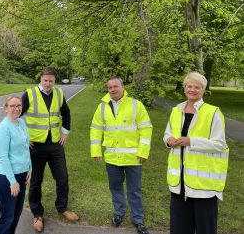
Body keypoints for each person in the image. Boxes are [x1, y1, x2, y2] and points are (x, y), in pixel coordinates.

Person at [164, 72, 229, 234]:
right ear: (184, 88)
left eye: (197, 87)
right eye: (189, 86)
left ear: (203, 90)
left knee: (205, 229)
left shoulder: (213, 112)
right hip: (179, 183)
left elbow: (220, 144)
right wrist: (169, 140)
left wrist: (191, 141)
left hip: (203, 186)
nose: (192, 90)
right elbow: (167, 133)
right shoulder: (176, 110)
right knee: (179, 228)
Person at [90, 76, 152, 234]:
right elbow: (96, 129)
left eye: (115, 86)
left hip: (133, 157)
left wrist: (143, 151)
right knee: (115, 187)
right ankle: (119, 212)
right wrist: (96, 151)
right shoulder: (102, 107)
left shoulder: (135, 105)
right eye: (110, 87)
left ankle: (137, 218)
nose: (113, 90)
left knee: (135, 190)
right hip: (112, 157)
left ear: (123, 87)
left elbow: (146, 128)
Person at [21, 66, 79, 232]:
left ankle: (62, 208)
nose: (47, 84)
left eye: (51, 81)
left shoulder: (59, 94)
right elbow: (16, 116)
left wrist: (65, 133)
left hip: (55, 144)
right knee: (35, 181)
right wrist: (24, 139)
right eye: (45, 80)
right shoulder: (29, 94)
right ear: (41, 79)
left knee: (62, 178)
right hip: (35, 146)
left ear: (55, 81)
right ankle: (37, 214)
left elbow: (66, 114)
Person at [0, 95, 32, 234]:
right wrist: (13, 182)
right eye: (12, 106)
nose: (16, 108)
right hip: (6, 178)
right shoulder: (3, 128)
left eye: (19, 105)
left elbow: (26, 147)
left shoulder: (21, 122)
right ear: (5, 108)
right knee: (7, 217)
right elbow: (2, 157)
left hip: (22, 174)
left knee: (16, 214)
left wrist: (29, 168)